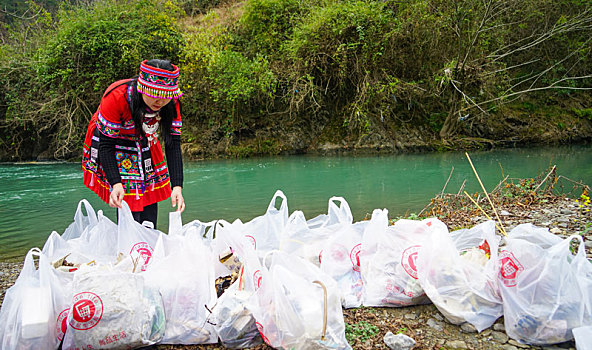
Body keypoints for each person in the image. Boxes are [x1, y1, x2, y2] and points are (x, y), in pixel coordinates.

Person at [82, 59, 185, 227]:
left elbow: (172, 143)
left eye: (164, 96)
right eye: (154, 94)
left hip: (145, 137)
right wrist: (115, 183)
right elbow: (106, 145)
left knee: (149, 190)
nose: (159, 102)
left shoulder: (171, 102)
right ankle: (129, 246)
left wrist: (177, 187)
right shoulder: (116, 96)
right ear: (142, 88)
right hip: (113, 139)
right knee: (127, 194)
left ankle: (148, 241)